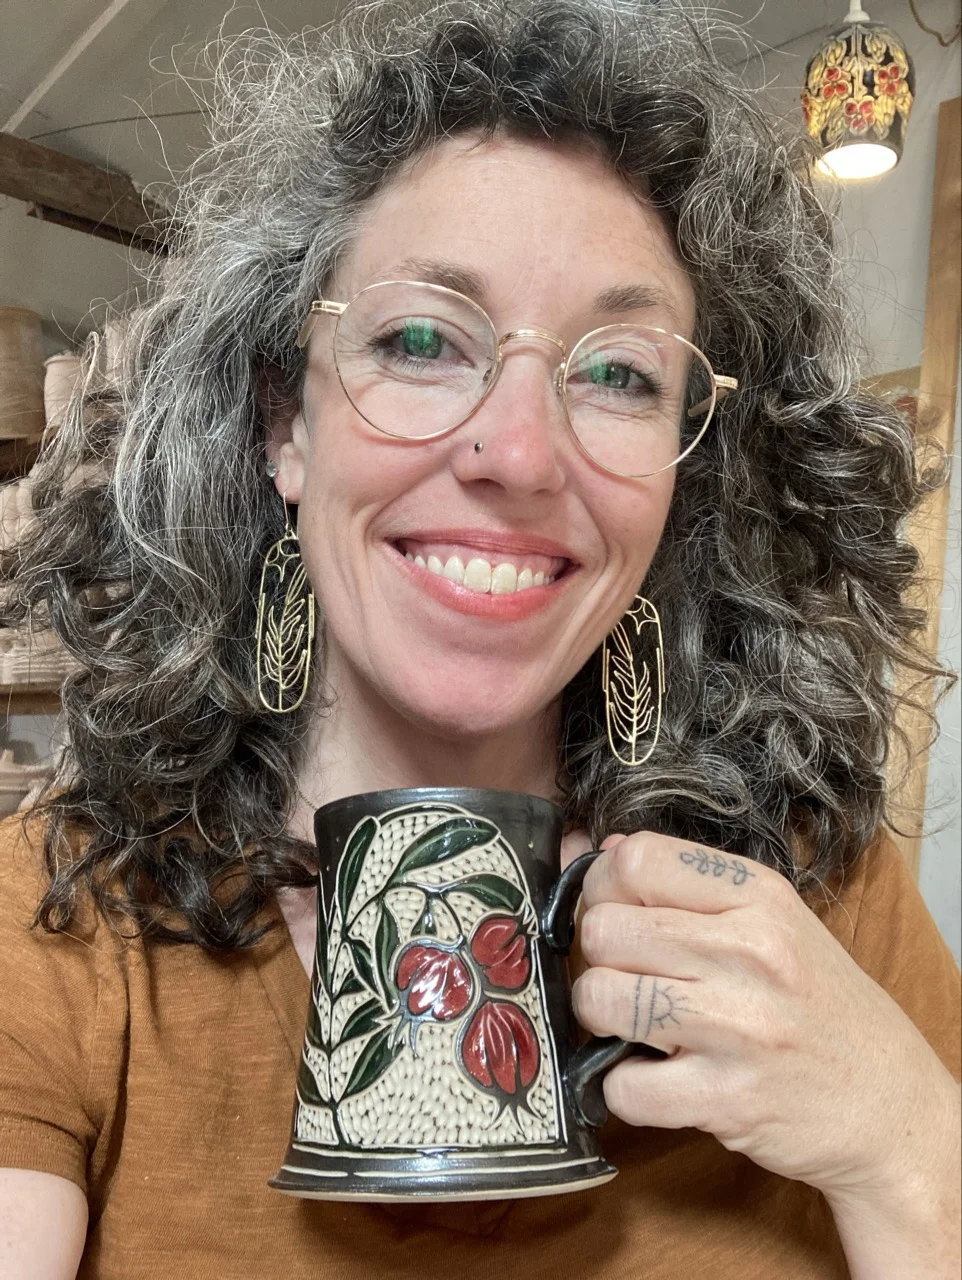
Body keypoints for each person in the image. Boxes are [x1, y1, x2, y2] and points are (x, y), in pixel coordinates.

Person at [1, 0, 959, 1275]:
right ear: (287, 421)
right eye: (417, 339)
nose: (515, 453)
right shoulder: (63, 914)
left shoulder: (818, 892)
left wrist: (903, 1143)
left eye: (618, 370)